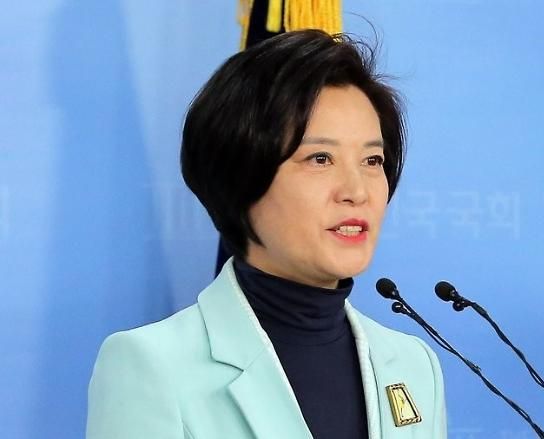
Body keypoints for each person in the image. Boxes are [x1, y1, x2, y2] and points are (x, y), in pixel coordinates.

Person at [86, 29, 447, 439]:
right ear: (241, 178)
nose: (357, 191)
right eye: (320, 158)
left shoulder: (414, 364)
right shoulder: (153, 366)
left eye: (372, 160)